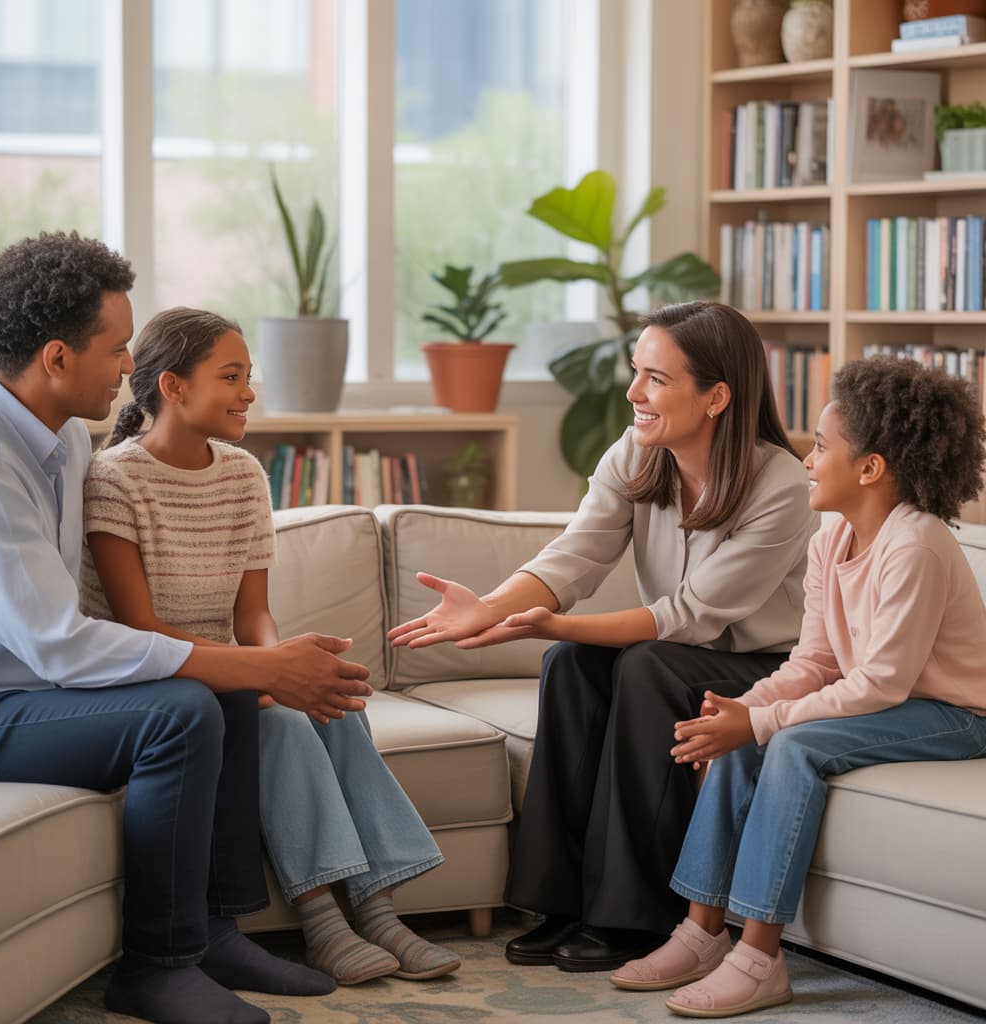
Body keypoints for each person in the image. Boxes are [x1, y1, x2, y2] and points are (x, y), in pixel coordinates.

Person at [0, 232, 375, 1024]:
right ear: (57, 357)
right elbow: (60, 642)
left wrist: (244, 669)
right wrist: (260, 665)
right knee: (181, 709)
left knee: (217, 688)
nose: (129, 366)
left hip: (32, 695)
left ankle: (216, 932)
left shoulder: (60, 440)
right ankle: (157, 965)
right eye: (117, 349)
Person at [390, 301, 820, 971]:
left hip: (767, 666)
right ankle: (559, 904)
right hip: (679, 655)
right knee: (570, 661)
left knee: (644, 665)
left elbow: (692, 615)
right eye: (635, 372)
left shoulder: (781, 484)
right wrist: (492, 608)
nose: (633, 393)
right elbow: (576, 555)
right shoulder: (638, 452)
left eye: (656, 379)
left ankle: (635, 916)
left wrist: (552, 621)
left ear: (716, 397)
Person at [80, 306, 461, 987]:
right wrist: (262, 673)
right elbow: (138, 627)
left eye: (248, 376)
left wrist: (280, 667)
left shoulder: (243, 474)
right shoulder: (114, 479)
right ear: (173, 386)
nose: (249, 393)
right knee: (283, 722)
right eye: (231, 377)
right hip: (155, 679)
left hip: (229, 669)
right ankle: (323, 922)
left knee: (333, 704)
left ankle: (379, 912)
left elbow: (253, 613)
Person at [613, 355, 986, 1018]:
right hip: (893, 702)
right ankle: (702, 933)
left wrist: (763, 724)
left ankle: (759, 959)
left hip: (956, 714)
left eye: (820, 446)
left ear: (870, 468)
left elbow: (881, 682)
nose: (806, 461)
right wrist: (742, 712)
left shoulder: (916, 545)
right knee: (744, 740)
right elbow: (812, 662)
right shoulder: (829, 541)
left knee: (791, 744)